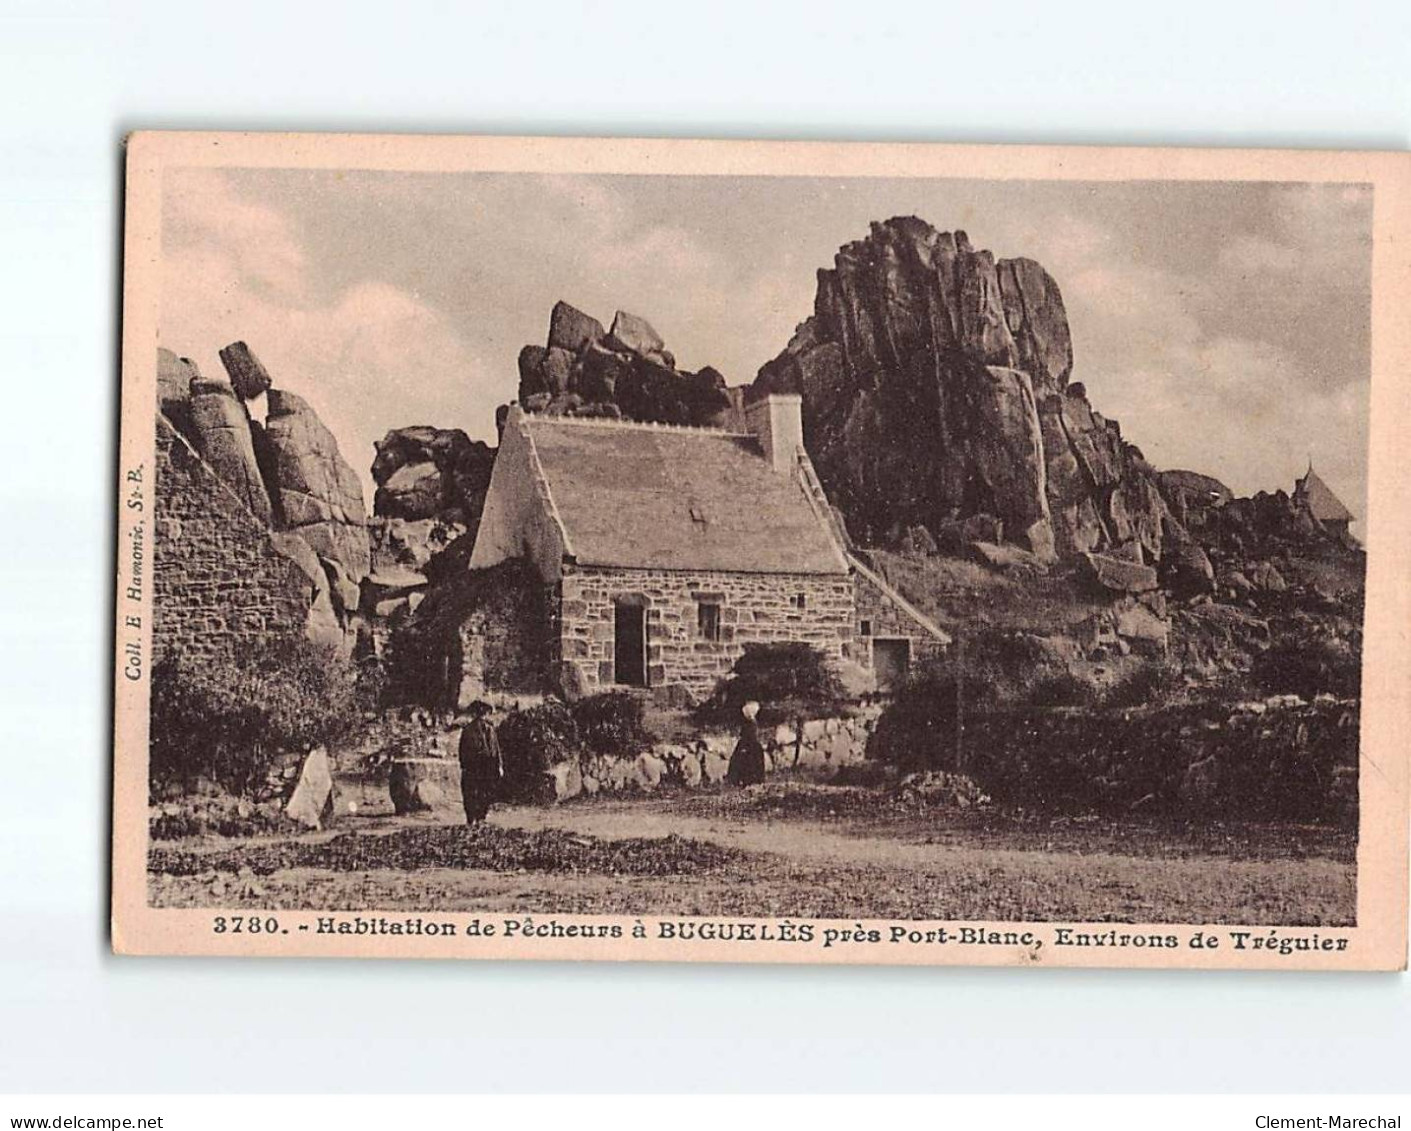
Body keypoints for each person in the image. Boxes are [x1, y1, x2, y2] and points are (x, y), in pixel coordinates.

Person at [457, 701, 503, 823]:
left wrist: (499, 766)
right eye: (479, 714)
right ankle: (471, 818)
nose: (482, 717)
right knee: (471, 793)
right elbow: (463, 750)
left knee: (486, 792)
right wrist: (466, 766)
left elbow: (496, 749)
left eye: (484, 714)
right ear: (475, 714)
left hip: (488, 768)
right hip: (474, 768)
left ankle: (481, 817)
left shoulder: (491, 730)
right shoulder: (468, 730)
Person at [726, 700, 766, 787]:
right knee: (744, 761)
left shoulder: (751, 723)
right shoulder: (751, 722)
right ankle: (748, 780)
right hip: (750, 744)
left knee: (745, 761)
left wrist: (744, 746)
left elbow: (749, 736)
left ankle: (746, 780)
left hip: (748, 744)